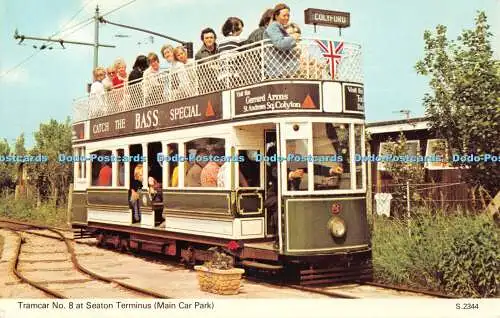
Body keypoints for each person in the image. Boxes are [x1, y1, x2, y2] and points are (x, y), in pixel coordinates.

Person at [263, 3, 299, 78]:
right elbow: (280, 43)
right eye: (284, 15)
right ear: (276, 16)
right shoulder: (273, 26)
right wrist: (293, 38)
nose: (287, 18)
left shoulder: (279, 27)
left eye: (288, 15)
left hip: (280, 68)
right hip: (276, 69)